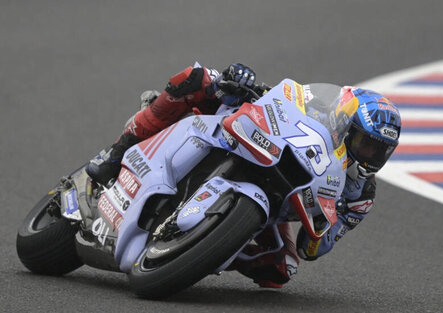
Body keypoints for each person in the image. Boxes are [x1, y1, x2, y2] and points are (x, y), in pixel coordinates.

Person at [86, 63, 401, 288]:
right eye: (365, 143)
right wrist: (241, 82)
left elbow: (311, 249)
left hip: (277, 203)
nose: (369, 155)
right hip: (248, 141)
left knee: (281, 270)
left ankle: (202, 249)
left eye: (379, 151)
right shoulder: (320, 110)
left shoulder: (361, 195)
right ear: (344, 124)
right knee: (200, 78)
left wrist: (331, 220)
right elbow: (283, 100)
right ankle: (115, 153)